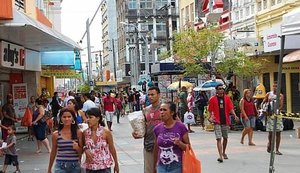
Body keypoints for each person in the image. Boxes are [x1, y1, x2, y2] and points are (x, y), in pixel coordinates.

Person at [153, 101, 190, 173]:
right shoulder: (157, 129)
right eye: (160, 110)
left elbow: (188, 147)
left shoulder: (181, 127)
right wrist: (154, 165)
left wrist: (180, 143)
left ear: (172, 113)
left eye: (164, 110)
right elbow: (156, 149)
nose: (162, 112)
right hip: (161, 166)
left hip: (176, 166)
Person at [132, 86, 161, 173]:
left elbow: (177, 123)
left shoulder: (165, 108)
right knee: (149, 170)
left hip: (163, 144)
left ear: (159, 95)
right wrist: (136, 133)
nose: (150, 97)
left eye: (153, 94)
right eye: (149, 95)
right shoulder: (146, 110)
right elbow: (142, 128)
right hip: (149, 144)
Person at [208, 84, 239, 163]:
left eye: (222, 88)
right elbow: (210, 110)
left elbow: (230, 108)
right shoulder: (212, 99)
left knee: (225, 138)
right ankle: (220, 155)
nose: (221, 90)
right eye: (219, 89)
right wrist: (210, 117)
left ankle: (224, 152)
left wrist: (235, 115)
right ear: (216, 90)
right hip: (217, 121)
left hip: (225, 121)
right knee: (218, 138)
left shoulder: (227, 98)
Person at [82, 107, 119, 173]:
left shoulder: (106, 132)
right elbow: (82, 145)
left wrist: (116, 164)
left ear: (98, 118)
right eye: (87, 117)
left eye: (90, 117)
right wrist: (85, 149)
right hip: (90, 166)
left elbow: (112, 148)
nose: (88, 120)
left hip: (104, 166)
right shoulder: (85, 133)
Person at [47, 108, 83, 173]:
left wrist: (77, 148)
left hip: (75, 166)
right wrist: (49, 168)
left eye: (69, 117)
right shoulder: (56, 134)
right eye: (64, 117)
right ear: (60, 118)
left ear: (73, 118)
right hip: (60, 166)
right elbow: (53, 152)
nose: (67, 119)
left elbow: (81, 152)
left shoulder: (78, 133)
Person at [263, 82, 284, 155]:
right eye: (274, 86)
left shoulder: (280, 95)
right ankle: (270, 144)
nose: (275, 87)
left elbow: (281, 105)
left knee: (278, 132)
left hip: (277, 115)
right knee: (271, 133)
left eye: (276, 86)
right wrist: (266, 108)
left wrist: (277, 110)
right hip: (270, 116)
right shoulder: (268, 94)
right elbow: (263, 103)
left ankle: (277, 149)